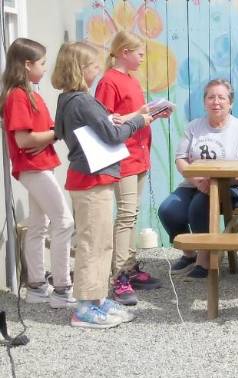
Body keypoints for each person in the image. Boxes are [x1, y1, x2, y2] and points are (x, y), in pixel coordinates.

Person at [52, 42, 152, 328]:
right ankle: (84, 307)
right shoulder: (82, 100)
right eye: (94, 65)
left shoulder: (68, 99)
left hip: (88, 178)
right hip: (92, 179)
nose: (99, 70)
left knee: (100, 241)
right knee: (93, 244)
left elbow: (67, 130)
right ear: (81, 69)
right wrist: (139, 121)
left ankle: (95, 298)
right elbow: (111, 135)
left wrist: (109, 119)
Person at [158, 79, 238, 279]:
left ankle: (204, 261)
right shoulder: (194, 126)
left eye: (221, 97)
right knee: (168, 210)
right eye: (211, 97)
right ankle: (190, 254)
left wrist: (218, 182)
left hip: (231, 187)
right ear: (204, 102)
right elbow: (181, 159)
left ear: (230, 103)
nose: (216, 102)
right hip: (194, 183)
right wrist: (197, 181)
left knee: (199, 205)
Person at [95, 30, 168, 306]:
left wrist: (153, 115)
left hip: (138, 156)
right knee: (125, 215)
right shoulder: (109, 82)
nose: (142, 58)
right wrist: (140, 116)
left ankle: (130, 266)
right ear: (124, 52)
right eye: (139, 53)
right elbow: (106, 122)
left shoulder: (130, 80)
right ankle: (119, 277)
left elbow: (132, 118)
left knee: (131, 214)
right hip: (123, 157)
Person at [1, 38, 75, 308]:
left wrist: (53, 134)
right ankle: (62, 289)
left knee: (38, 225)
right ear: (27, 64)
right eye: (42, 63)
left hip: (38, 166)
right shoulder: (19, 97)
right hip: (34, 167)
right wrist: (58, 133)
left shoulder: (28, 94)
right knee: (64, 222)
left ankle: (36, 286)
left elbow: (41, 133)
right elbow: (23, 139)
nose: (45, 68)